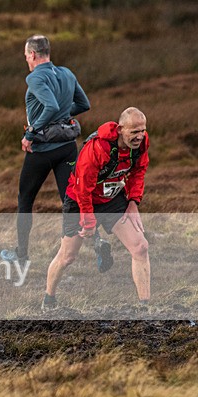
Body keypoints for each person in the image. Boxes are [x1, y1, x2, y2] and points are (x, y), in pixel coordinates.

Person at [42, 107, 150, 310]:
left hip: (111, 198)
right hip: (80, 200)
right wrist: (89, 221)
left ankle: (145, 307)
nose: (139, 136)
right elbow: (83, 189)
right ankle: (49, 300)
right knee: (67, 256)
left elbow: (139, 171)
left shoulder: (141, 143)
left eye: (143, 130)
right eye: (134, 131)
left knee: (140, 247)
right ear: (120, 129)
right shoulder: (97, 148)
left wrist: (133, 202)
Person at [0, 35, 90, 264]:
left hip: (41, 151)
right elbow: (84, 104)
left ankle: (21, 255)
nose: (26, 59)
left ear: (32, 54)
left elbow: (50, 105)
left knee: (25, 200)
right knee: (71, 199)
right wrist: (62, 116)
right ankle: (95, 244)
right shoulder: (66, 73)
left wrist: (30, 133)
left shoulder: (34, 78)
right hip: (67, 148)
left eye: (25, 55)